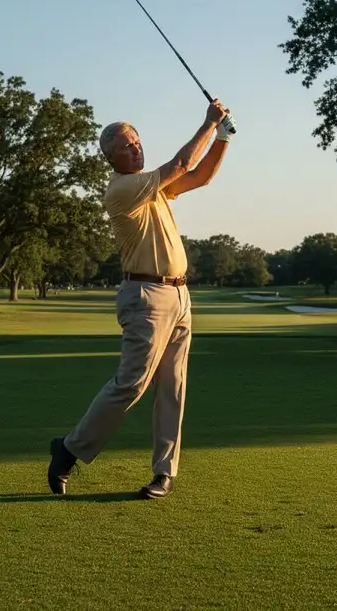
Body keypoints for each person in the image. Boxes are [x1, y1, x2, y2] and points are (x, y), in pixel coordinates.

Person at [47, 99, 232, 499]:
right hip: (146, 296)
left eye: (137, 141)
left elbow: (199, 177)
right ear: (110, 157)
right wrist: (208, 123)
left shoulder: (152, 188)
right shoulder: (124, 188)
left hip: (179, 294)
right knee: (132, 384)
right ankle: (68, 449)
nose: (136, 148)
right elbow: (182, 165)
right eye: (126, 146)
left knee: (173, 386)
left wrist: (223, 137)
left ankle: (164, 472)